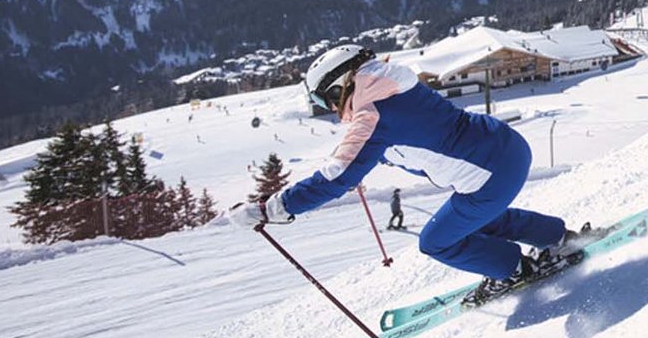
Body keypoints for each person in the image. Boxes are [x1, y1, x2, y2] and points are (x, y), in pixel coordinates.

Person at [238, 45, 579, 299]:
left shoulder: (372, 114)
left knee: (435, 242)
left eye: (324, 98)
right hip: (506, 147)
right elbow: (413, 134)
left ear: (339, 86)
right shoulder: (392, 86)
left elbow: (338, 177)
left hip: (488, 176)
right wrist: (367, 155)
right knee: (478, 219)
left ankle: (513, 269)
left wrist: (274, 209)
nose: (328, 108)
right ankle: (555, 236)